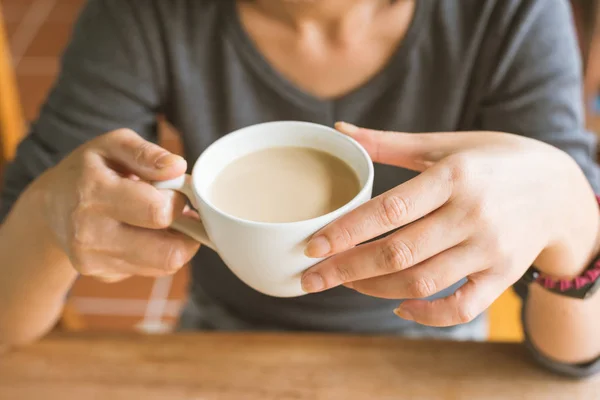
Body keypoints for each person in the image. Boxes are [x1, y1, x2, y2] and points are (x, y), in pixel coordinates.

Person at [0, 0, 599, 377]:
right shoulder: (139, 15)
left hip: (436, 338)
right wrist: (47, 212)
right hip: (222, 337)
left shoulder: (511, 13)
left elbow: (577, 365)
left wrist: (570, 215)